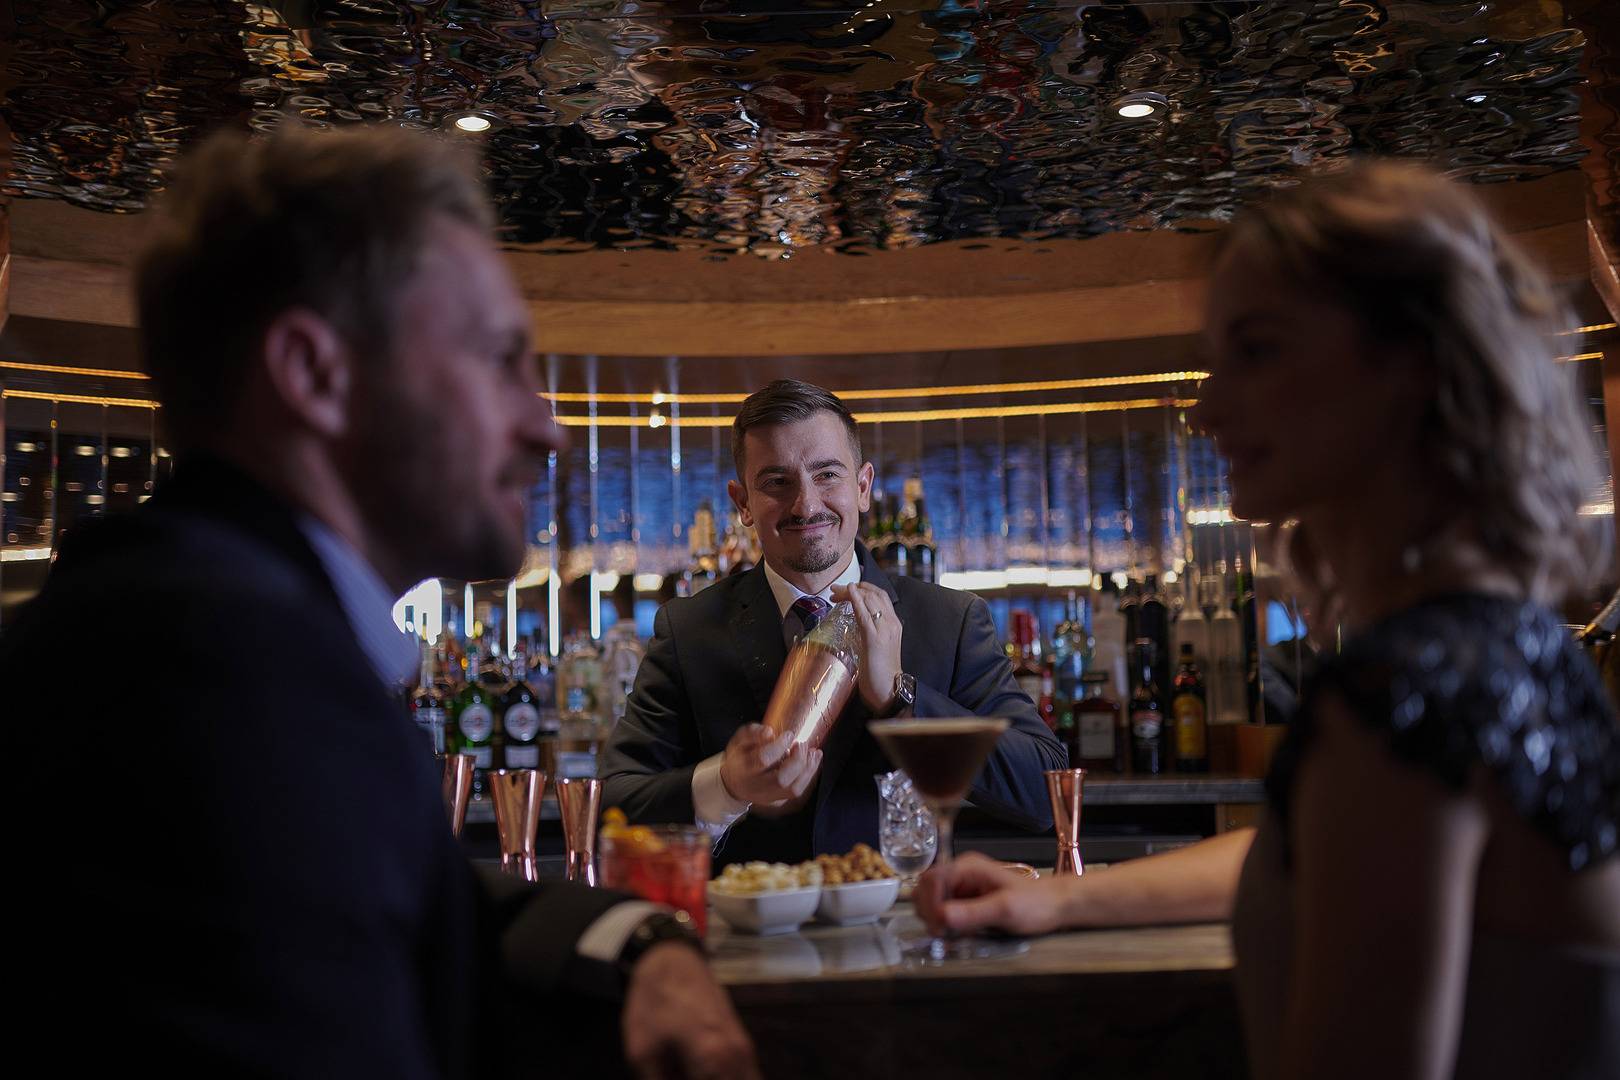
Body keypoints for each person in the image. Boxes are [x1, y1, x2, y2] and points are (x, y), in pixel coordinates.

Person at [6, 124, 758, 1080]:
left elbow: (420, 905)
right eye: (496, 359)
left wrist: (634, 941)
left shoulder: (206, 625)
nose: (549, 427)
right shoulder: (221, 683)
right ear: (316, 374)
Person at [918, 163, 1620, 1080]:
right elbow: (1319, 856)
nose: (1207, 409)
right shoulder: (1503, 646)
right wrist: (1057, 903)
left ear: (1402, 365)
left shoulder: (1403, 698)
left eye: (1256, 350)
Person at [600, 379, 1067, 866]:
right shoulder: (687, 628)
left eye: (827, 475)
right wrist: (725, 785)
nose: (806, 504)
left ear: (863, 487)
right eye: (777, 482)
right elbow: (612, 803)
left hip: (906, 927)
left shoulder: (950, 619)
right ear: (742, 502)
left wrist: (899, 697)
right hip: (754, 933)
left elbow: (1045, 792)